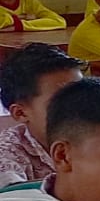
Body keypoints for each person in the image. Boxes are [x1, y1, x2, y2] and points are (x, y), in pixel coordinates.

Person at [0, 43, 84, 186]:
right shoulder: (6, 154)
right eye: (61, 102)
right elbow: (13, 200)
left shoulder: (98, 137)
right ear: (20, 113)